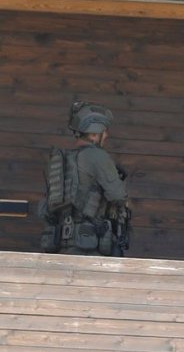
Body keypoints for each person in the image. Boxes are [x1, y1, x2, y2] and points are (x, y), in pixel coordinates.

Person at [39, 101, 130, 256]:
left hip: (61, 245)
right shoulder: (97, 157)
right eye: (104, 131)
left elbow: (44, 210)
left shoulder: (62, 161)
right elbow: (118, 196)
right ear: (94, 133)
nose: (106, 135)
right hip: (89, 245)